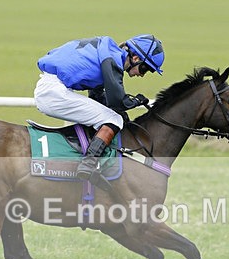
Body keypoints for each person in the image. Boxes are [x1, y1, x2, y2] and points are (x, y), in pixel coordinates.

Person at [35, 34, 164, 181]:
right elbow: (118, 101)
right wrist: (137, 101)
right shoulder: (112, 59)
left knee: (111, 116)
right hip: (53, 93)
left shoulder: (107, 51)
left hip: (51, 88)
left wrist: (121, 111)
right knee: (114, 120)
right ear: (136, 58)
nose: (141, 75)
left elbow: (97, 97)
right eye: (145, 69)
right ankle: (88, 164)